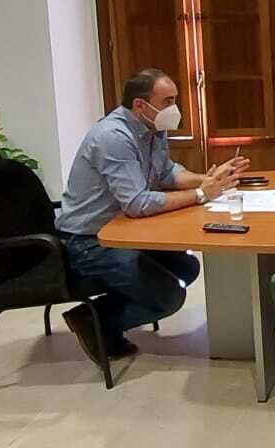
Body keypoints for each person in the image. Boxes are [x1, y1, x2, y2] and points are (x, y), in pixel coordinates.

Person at [54, 68, 248, 363]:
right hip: (88, 241)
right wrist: (201, 194)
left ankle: (105, 311)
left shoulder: (153, 128)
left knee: (186, 267)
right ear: (140, 105)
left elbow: (167, 173)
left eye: (175, 100)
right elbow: (137, 203)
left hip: (122, 231)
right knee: (170, 296)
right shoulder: (113, 137)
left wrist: (209, 179)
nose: (175, 109)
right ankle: (94, 320)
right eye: (168, 101)